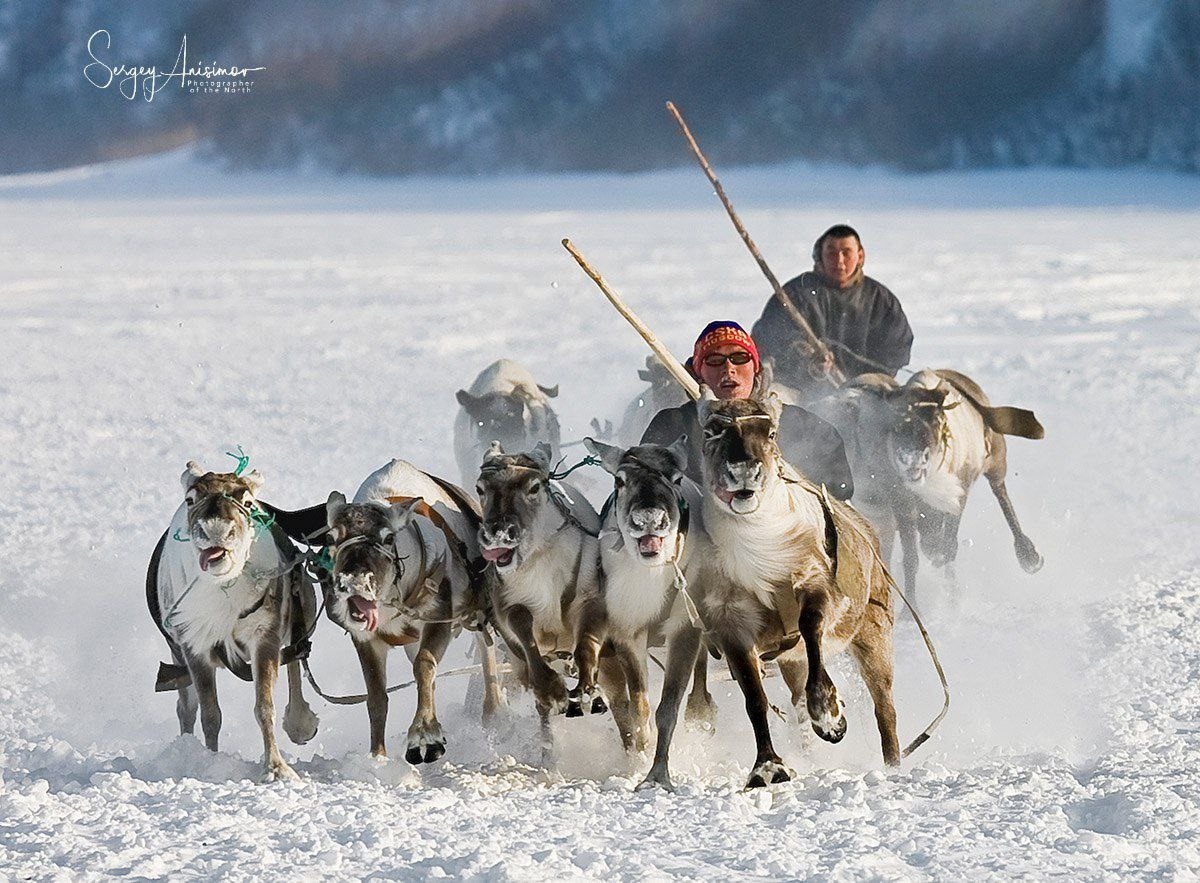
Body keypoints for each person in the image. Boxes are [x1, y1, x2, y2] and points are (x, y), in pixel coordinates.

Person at [640, 321, 853, 500]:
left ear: (755, 368)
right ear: (698, 372)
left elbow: (840, 489)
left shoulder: (796, 423)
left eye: (740, 358)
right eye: (714, 361)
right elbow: (642, 491)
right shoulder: (673, 424)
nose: (728, 368)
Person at [751, 224, 913, 401]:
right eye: (831, 253)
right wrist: (805, 359)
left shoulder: (880, 300)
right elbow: (769, 338)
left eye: (846, 252)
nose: (839, 261)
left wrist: (865, 382)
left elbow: (896, 349)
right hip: (801, 395)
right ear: (819, 255)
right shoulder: (796, 294)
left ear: (860, 256)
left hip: (866, 397)